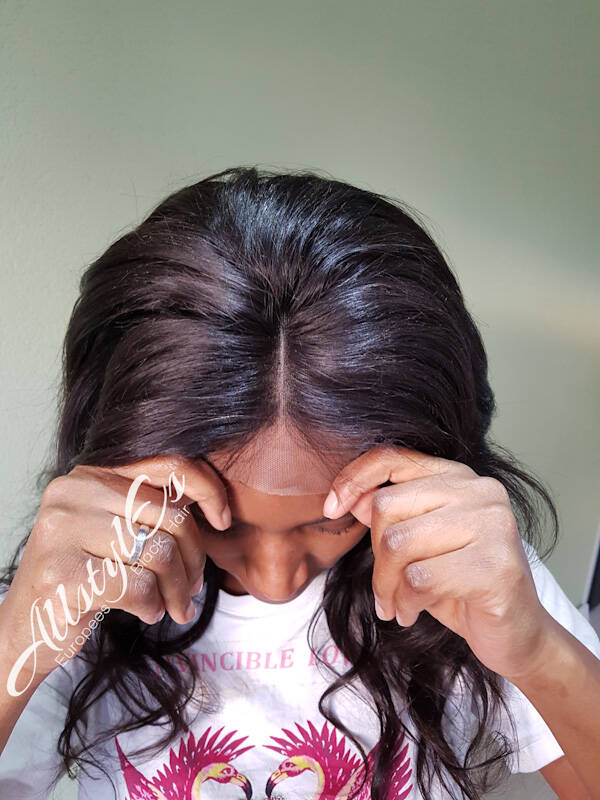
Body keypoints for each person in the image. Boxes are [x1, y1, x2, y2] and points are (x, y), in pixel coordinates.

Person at [0, 166, 598, 800]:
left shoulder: (467, 564)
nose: (276, 580)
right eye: (220, 522)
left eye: (329, 523)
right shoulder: (79, 587)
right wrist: (17, 641)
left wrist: (537, 650)